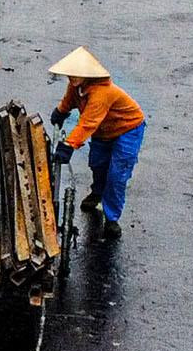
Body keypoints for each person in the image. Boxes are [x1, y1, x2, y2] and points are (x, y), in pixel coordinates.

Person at [48, 46, 146, 239]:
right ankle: (97, 192)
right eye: (70, 75)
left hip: (127, 129)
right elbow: (70, 100)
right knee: (98, 163)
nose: (72, 78)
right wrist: (61, 110)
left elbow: (87, 123)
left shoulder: (102, 93)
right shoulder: (76, 87)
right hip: (103, 130)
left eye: (76, 75)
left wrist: (69, 145)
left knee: (117, 174)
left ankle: (112, 218)